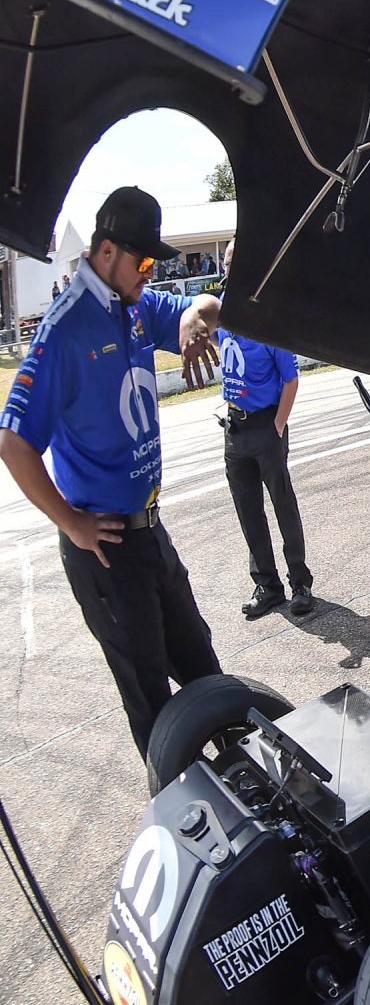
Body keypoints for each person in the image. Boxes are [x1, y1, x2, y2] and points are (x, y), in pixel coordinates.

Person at [0, 187, 225, 760]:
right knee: (154, 706)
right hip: (103, 547)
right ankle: (186, 821)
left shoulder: (134, 305)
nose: (151, 273)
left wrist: (197, 321)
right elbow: (13, 441)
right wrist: (71, 523)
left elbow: (206, 306)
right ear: (105, 252)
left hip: (150, 530)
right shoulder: (65, 329)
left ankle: (255, 811)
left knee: (210, 679)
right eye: (143, 261)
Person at [217, 241, 313, 619]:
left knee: (282, 505)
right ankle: (267, 586)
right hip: (233, 427)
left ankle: (300, 584)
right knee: (248, 511)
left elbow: (290, 379)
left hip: (265, 425)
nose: (229, 269)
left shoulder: (267, 314)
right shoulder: (223, 313)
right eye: (226, 263)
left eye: (235, 263)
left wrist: (277, 425)